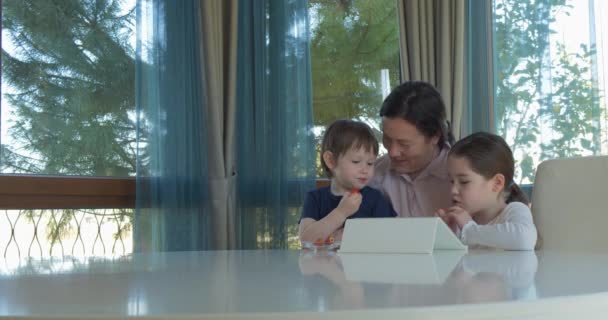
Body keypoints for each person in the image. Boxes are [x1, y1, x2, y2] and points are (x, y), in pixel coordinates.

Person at [299, 119, 397, 244]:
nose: (365, 170)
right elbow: (306, 240)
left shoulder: (376, 199)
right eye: (356, 161)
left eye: (370, 163)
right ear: (330, 160)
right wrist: (341, 213)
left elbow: (389, 239)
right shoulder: (314, 198)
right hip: (323, 263)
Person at [436, 132, 537, 250]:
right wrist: (445, 235)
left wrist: (469, 230)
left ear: (497, 183)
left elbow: (524, 239)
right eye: (452, 181)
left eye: (464, 182)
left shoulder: (514, 211)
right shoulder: (462, 222)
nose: (453, 190)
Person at [369, 81, 455, 217]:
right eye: (387, 139)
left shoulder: (461, 177)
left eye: (404, 144)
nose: (392, 152)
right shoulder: (373, 175)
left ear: (435, 136)